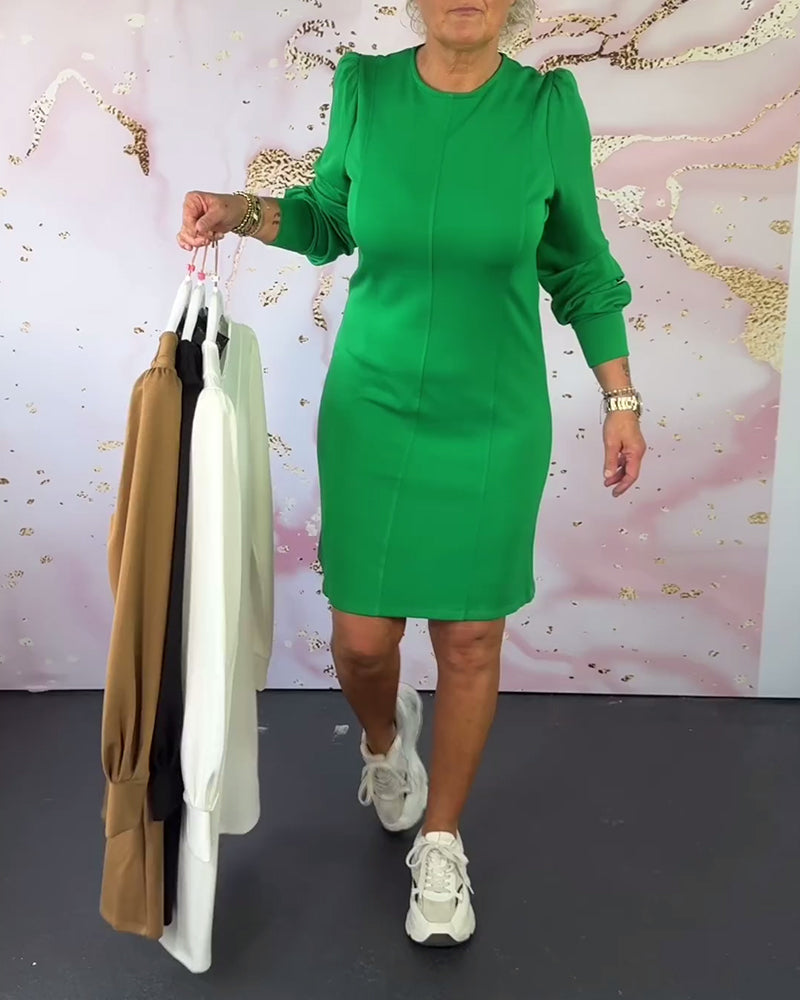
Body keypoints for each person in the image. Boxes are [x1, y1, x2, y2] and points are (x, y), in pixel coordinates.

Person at [177, 0, 646, 947]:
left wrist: (621, 398)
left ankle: (441, 841)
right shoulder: (366, 87)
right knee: (361, 643)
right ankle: (386, 740)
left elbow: (581, 266)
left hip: (494, 416)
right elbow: (329, 220)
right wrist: (242, 211)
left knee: (470, 637)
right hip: (375, 406)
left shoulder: (547, 107)